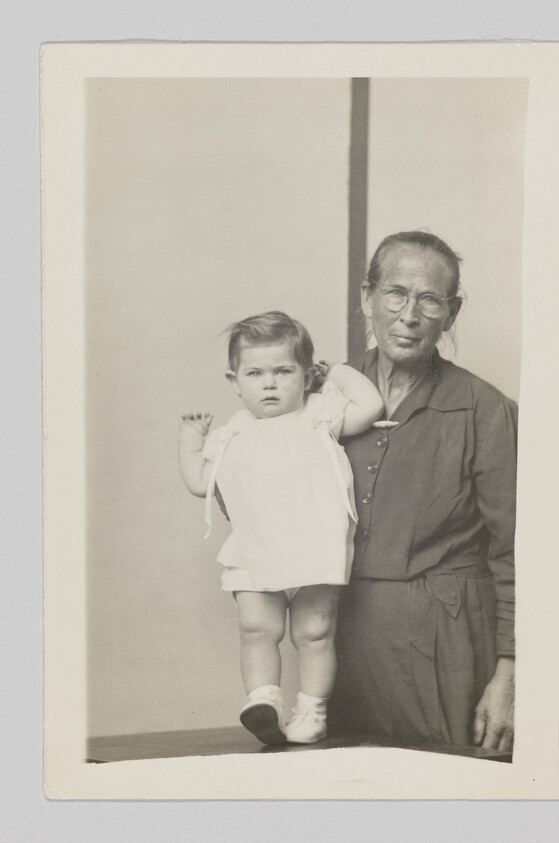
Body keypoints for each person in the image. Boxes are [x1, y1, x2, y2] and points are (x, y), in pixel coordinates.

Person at [329, 231, 517, 753]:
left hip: (449, 642)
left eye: (429, 299)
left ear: (450, 314)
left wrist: (510, 676)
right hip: (346, 636)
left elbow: (516, 552)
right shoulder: (324, 394)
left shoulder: (484, 409)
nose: (409, 314)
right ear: (368, 296)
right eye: (395, 293)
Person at [179, 311, 383, 745]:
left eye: (283, 371)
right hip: (256, 546)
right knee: (257, 627)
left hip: (315, 544)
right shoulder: (231, 434)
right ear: (235, 382)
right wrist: (191, 441)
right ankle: (263, 701)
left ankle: (311, 710)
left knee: (313, 632)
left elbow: (370, 407)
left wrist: (340, 373)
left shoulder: (319, 413)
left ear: (307, 377)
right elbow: (200, 482)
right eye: (255, 373)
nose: (269, 383)